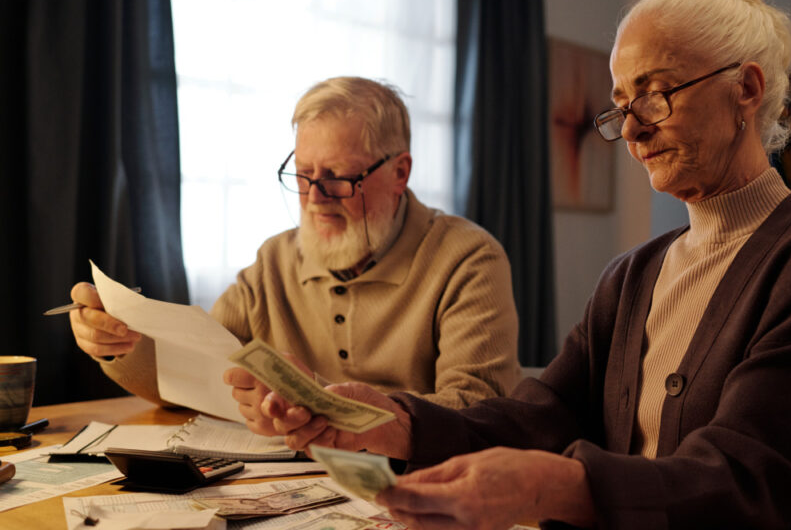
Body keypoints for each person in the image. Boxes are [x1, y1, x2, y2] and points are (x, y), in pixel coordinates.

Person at [262, 0, 791, 529]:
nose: (634, 129)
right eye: (621, 106)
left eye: (655, 93)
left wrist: (555, 484)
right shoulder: (635, 274)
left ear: (746, 89)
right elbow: (541, 415)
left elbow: (748, 478)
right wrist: (398, 421)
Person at [68, 77, 521, 432]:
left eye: (338, 177)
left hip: (423, 488)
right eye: (303, 174)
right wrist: (117, 344)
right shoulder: (274, 261)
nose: (315, 197)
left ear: (399, 172)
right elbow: (193, 371)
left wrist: (315, 399)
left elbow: (478, 413)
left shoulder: (469, 259)